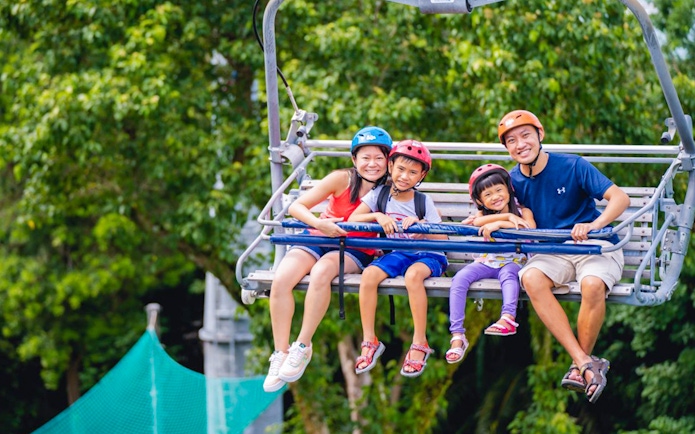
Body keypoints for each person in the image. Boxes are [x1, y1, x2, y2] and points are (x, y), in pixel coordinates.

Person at [497, 109, 630, 403]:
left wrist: (595, 225)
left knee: (593, 285)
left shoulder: (571, 165)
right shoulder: (512, 182)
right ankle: (584, 362)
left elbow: (620, 198)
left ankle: (578, 365)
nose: (520, 145)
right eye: (511, 141)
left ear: (540, 135)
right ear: (507, 148)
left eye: (525, 136)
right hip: (554, 251)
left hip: (594, 245)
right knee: (530, 278)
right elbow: (492, 210)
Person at [263, 126, 393, 392]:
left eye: (379, 158)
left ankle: (302, 344)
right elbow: (297, 207)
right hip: (318, 237)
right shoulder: (341, 179)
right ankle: (280, 352)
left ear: (388, 161)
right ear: (354, 160)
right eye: (365, 158)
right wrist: (319, 224)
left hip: (354, 248)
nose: (372, 164)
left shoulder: (390, 190)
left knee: (323, 271)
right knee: (282, 278)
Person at [348, 139, 448, 378]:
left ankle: (420, 341)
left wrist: (423, 225)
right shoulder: (379, 195)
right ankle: (370, 339)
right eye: (400, 169)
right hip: (399, 253)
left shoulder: (423, 202)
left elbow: (442, 238)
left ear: (421, 176)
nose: (405, 176)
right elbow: (353, 218)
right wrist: (378, 217)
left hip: (428, 254)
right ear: (390, 167)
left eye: (413, 172)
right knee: (370, 274)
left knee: (413, 277)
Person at [446, 164, 536, 364]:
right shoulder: (481, 216)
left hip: (515, 261)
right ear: (480, 201)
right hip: (488, 261)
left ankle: (508, 318)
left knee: (509, 275)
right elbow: (478, 223)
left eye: (499, 190)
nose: (495, 196)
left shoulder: (524, 211)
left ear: (508, 189)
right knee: (460, 278)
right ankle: (457, 335)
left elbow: (530, 229)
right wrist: (507, 218)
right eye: (488, 194)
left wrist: (502, 223)